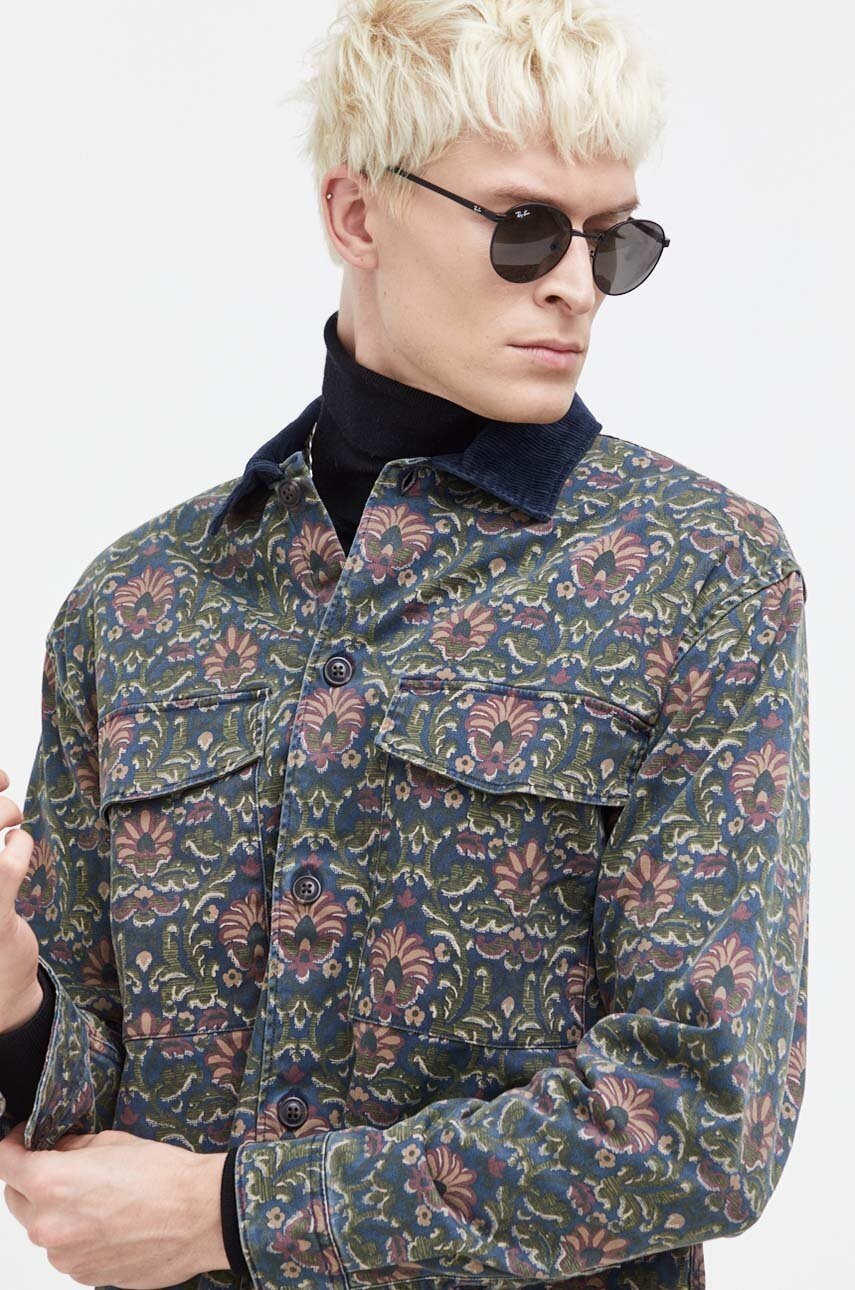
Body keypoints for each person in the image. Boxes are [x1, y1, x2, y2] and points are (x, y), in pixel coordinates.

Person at [0, 2, 809, 1288]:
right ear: (357, 215)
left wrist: (238, 1215)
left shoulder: (700, 573)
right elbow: (86, 1139)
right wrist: (12, 1001)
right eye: (524, 226)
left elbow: (704, 1118)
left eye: (615, 241)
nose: (576, 283)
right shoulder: (138, 603)